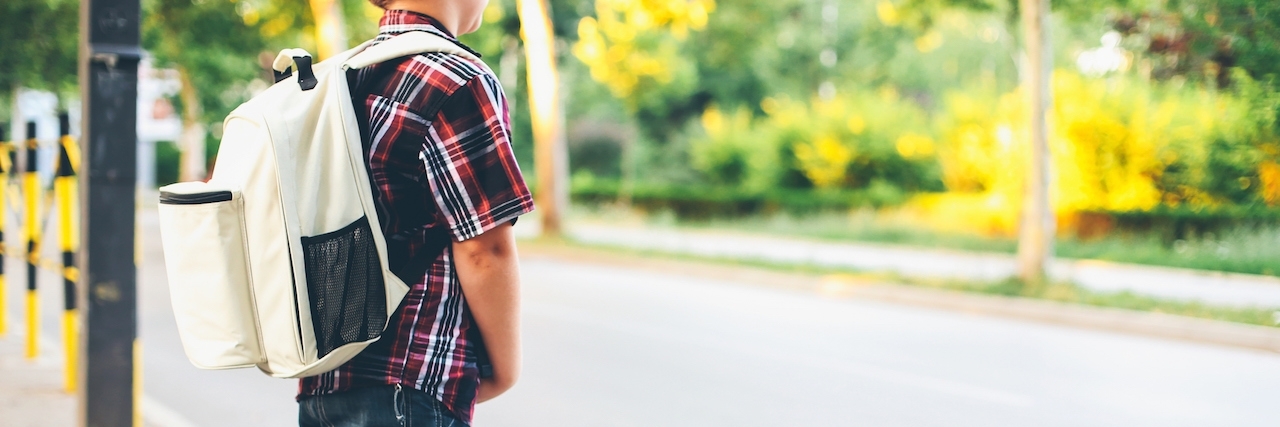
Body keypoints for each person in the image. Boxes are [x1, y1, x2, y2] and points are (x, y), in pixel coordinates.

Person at [297, 0, 534, 425]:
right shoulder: (457, 80)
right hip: (412, 383)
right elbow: (485, 249)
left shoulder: (338, 79)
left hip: (324, 384)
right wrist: (505, 370)